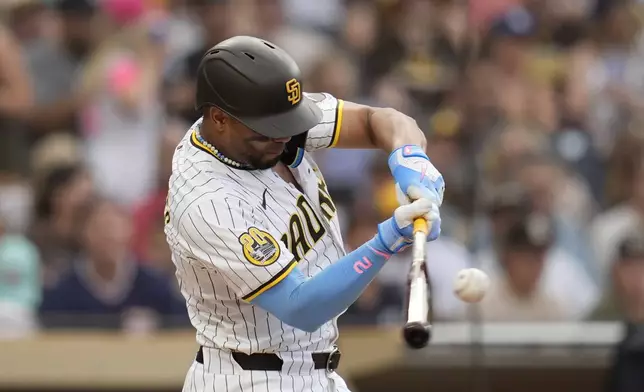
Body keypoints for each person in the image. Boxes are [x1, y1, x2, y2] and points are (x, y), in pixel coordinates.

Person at [164, 36, 445, 392]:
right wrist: (388, 240)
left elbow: (380, 120)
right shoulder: (207, 200)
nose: (284, 136)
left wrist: (409, 159)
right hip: (248, 378)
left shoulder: (261, 122)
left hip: (316, 370)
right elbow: (302, 307)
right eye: (271, 129)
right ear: (219, 118)